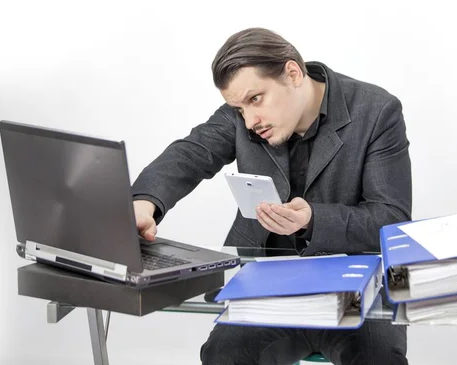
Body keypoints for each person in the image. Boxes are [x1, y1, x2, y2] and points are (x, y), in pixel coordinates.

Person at [131, 27, 411, 365]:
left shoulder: (377, 111)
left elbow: (390, 219)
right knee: (223, 356)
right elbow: (191, 154)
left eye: (255, 99)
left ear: (293, 73)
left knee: (380, 359)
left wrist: (313, 220)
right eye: (238, 109)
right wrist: (143, 204)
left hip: (359, 289)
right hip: (268, 288)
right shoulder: (243, 116)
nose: (250, 122)